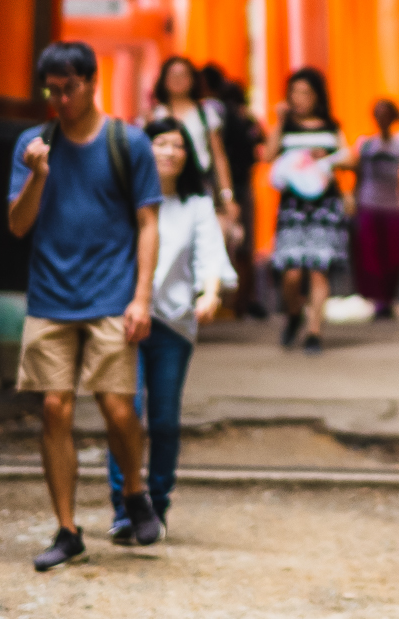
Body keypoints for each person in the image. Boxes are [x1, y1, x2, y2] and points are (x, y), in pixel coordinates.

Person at [7, 41, 165, 569]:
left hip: (111, 297)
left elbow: (148, 223)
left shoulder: (129, 143)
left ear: (93, 82)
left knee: (118, 408)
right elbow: (18, 225)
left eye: (68, 88)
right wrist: (38, 175)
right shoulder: (34, 146)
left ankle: (135, 491)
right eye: (51, 90)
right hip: (50, 298)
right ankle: (68, 529)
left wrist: (142, 298)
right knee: (54, 407)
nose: (59, 100)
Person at [105, 117, 236, 539]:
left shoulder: (196, 203)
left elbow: (210, 255)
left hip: (173, 325)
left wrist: (210, 293)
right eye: (160, 142)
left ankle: (156, 506)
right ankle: (125, 507)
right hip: (125, 319)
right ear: (145, 149)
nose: (169, 151)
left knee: (162, 420)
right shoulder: (124, 196)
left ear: (187, 155)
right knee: (125, 415)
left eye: (178, 145)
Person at [269, 67, 348, 354]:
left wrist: (326, 158)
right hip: (293, 206)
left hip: (324, 205)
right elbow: (267, 155)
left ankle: (314, 330)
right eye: (295, 93)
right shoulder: (286, 127)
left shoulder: (331, 126)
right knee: (291, 273)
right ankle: (293, 314)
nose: (300, 99)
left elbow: (348, 156)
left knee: (318, 270)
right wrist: (279, 122)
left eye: (305, 93)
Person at [201, 62, 268, 316]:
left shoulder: (209, 111)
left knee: (224, 243)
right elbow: (260, 142)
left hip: (219, 187)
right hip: (241, 184)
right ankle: (241, 302)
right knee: (242, 246)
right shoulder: (244, 116)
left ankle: (230, 302)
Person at [147, 56, 240, 235]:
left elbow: (218, 156)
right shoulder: (156, 114)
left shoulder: (205, 112)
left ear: (193, 79)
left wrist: (227, 196)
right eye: (173, 75)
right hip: (167, 184)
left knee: (206, 232)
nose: (178, 80)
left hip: (200, 181)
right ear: (163, 79)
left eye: (183, 75)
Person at [350, 99, 399, 320]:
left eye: (387, 114)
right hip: (369, 203)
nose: (382, 118)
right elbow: (357, 172)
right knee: (371, 256)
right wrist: (353, 199)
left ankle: (389, 297)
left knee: (395, 255)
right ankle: (378, 302)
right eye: (378, 114)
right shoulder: (365, 144)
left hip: (393, 205)